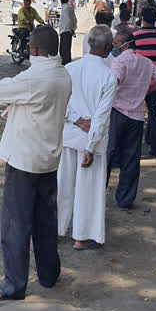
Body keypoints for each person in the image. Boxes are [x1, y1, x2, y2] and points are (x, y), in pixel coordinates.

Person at [0, 26, 72, 301]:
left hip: (24, 160)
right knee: (45, 221)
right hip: (49, 158)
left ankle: (14, 284)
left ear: (33, 50)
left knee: (15, 224)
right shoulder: (63, 74)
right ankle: (48, 274)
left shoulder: (35, 77)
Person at [57, 26, 117, 250]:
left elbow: (59, 102)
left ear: (88, 44)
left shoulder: (69, 69)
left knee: (62, 185)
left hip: (69, 136)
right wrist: (90, 147)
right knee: (88, 191)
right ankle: (81, 237)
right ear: (108, 48)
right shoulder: (108, 77)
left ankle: (56, 228)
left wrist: (76, 119)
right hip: (91, 141)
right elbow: (101, 118)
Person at [107, 30, 156, 207]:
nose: (114, 47)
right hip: (137, 114)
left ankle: (98, 193)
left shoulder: (119, 62)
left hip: (117, 110)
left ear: (124, 44)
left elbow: (114, 82)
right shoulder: (146, 62)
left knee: (108, 154)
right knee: (132, 157)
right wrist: (146, 90)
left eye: (116, 44)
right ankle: (125, 199)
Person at [132, 6, 156, 158]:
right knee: (154, 114)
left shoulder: (135, 37)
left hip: (138, 81)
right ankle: (155, 148)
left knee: (135, 115)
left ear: (142, 18)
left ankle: (134, 149)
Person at [59, 0, 77, 65]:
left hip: (65, 30)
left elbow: (68, 20)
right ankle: (67, 62)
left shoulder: (66, 8)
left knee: (64, 49)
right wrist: (72, 29)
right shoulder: (70, 7)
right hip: (68, 30)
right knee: (67, 48)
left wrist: (70, 29)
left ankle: (66, 64)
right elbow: (74, 19)